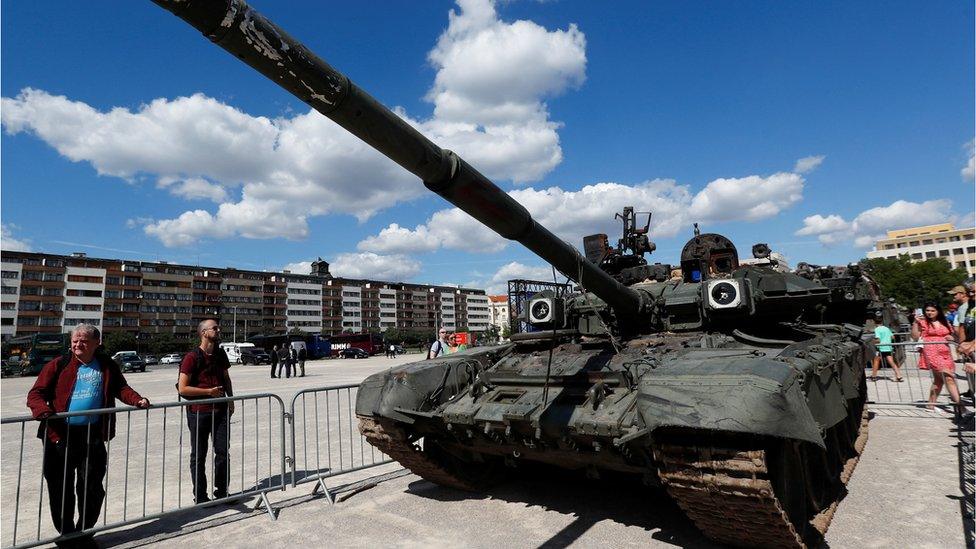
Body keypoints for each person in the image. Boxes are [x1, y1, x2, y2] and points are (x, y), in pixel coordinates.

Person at [27, 324, 150, 547]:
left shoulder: (106, 365)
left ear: (96, 343)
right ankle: (66, 534)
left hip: (92, 434)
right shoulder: (59, 364)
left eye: (83, 340)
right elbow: (36, 394)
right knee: (60, 487)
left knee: (92, 486)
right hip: (59, 435)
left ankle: (84, 533)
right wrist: (43, 412)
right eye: (75, 340)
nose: (77, 344)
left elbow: (121, 388)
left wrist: (138, 400)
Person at [177, 319, 234, 503]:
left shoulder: (220, 354)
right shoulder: (192, 357)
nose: (218, 330)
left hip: (220, 410)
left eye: (218, 327)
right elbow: (183, 388)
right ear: (203, 332)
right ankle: (200, 496)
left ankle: (222, 492)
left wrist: (230, 400)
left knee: (223, 452)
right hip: (199, 412)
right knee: (199, 455)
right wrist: (208, 392)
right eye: (215, 328)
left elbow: (226, 378)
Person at [912, 302, 961, 416]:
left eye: (932, 310)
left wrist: (951, 337)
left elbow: (953, 335)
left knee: (939, 381)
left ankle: (930, 405)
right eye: (927, 310)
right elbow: (915, 337)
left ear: (938, 311)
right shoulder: (922, 322)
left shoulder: (945, 321)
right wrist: (915, 322)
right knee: (948, 378)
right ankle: (961, 406)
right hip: (931, 352)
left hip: (945, 352)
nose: (929, 313)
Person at [951, 284, 974, 402]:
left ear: (962, 294)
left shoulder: (964, 307)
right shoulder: (968, 306)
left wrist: (964, 344)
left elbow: (960, 328)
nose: (953, 296)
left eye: (955, 294)